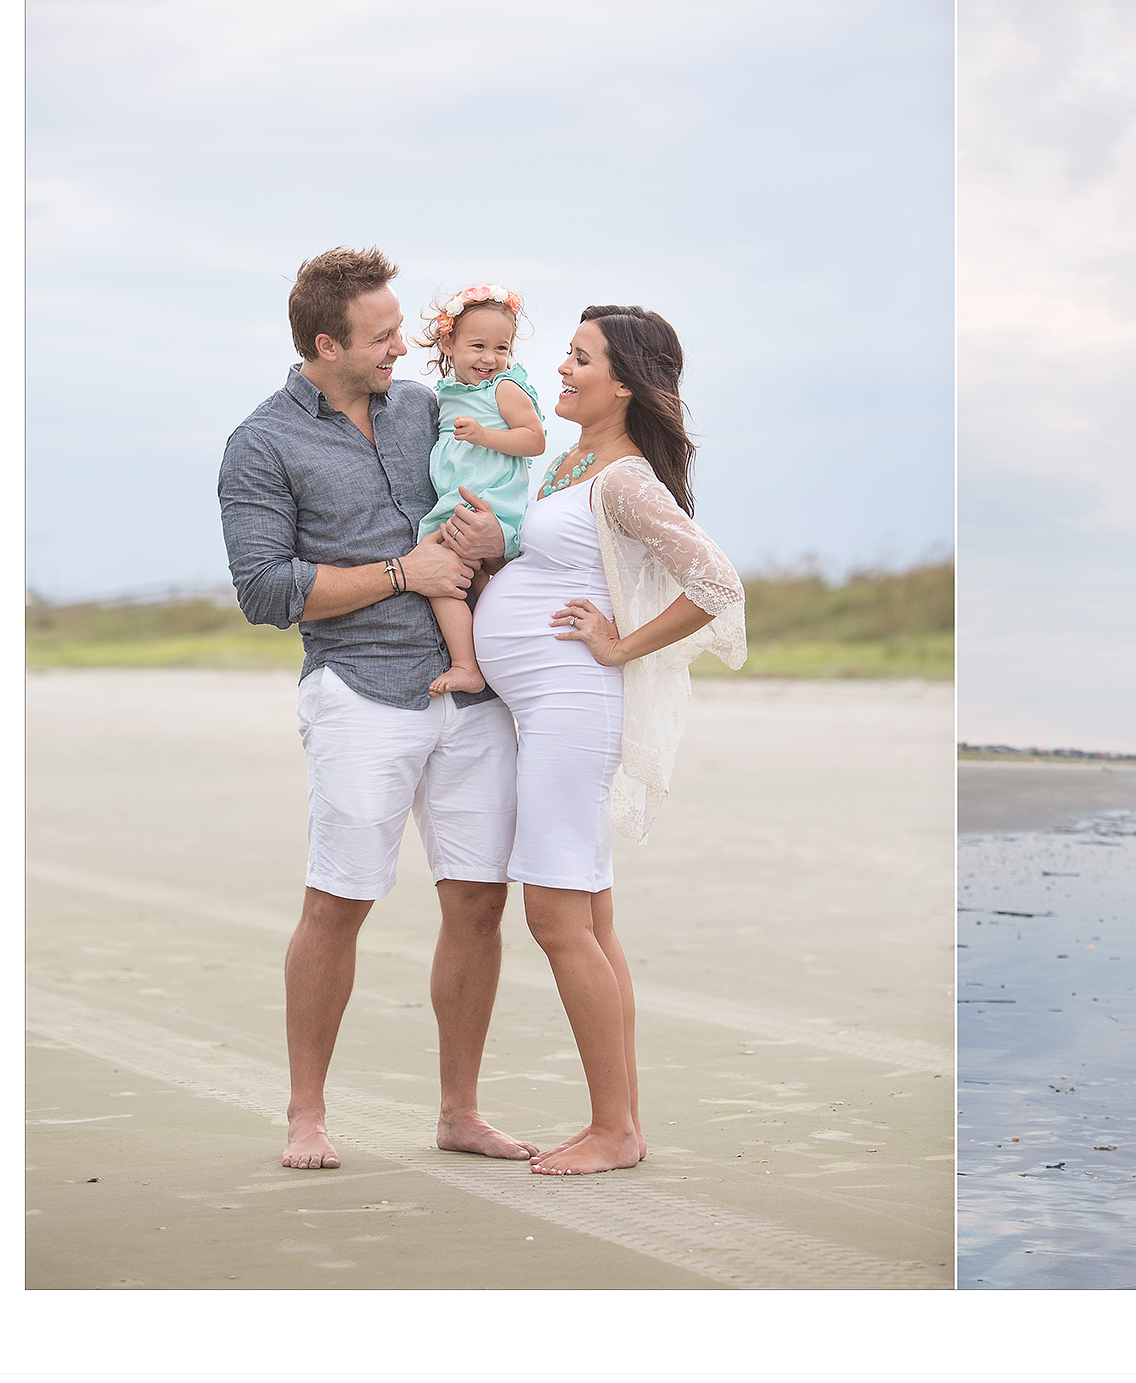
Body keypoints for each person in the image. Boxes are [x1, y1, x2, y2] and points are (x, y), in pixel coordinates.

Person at [218, 245, 537, 1170]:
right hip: (359, 693)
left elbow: (493, 502)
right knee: (340, 901)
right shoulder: (262, 442)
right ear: (327, 343)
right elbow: (266, 591)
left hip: (472, 694)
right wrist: (405, 571)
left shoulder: (432, 410)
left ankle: (459, 1112)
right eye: (386, 335)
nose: (408, 346)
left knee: (480, 901)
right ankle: (307, 1114)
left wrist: (490, 545)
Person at [471, 305, 746, 1176]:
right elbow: (561, 564)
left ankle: (614, 1129)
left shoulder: (624, 478)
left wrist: (621, 645)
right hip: (545, 704)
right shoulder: (570, 464)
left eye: (579, 358)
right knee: (589, 915)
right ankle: (619, 1120)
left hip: (571, 705)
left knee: (556, 915)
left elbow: (717, 580)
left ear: (623, 380)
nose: (560, 369)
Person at [407, 282, 547, 698]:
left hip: (489, 501)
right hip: (459, 499)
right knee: (474, 580)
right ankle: (503, 658)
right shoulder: (448, 393)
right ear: (448, 342)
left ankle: (468, 664)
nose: (490, 358)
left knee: (441, 570)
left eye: (501, 349)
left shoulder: (503, 388)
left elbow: (534, 440)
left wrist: (484, 435)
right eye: (478, 346)